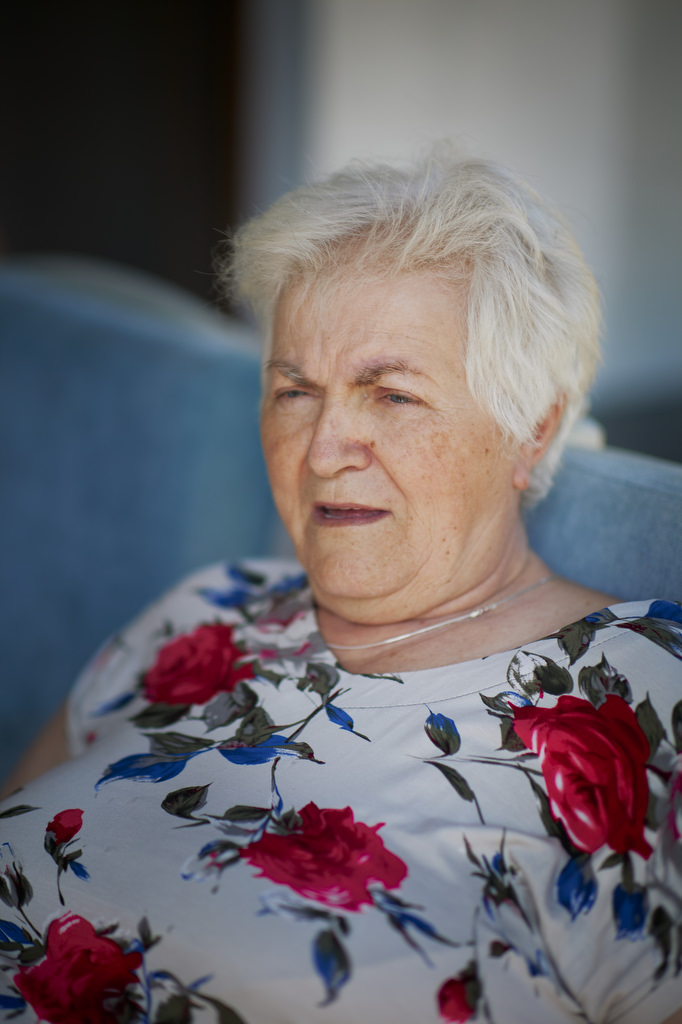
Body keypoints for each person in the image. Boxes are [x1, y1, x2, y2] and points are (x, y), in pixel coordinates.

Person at [1, 148, 681, 1024]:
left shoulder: (647, 696)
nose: (323, 450)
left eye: (391, 394)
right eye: (294, 391)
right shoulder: (203, 611)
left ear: (531, 429)